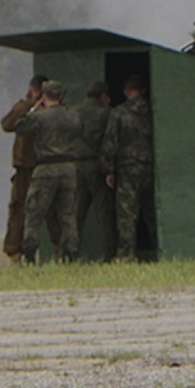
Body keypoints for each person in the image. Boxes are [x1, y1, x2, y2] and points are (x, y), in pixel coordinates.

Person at [14, 80, 84, 263]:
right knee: (68, 214)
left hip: (45, 168)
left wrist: (33, 110)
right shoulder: (72, 116)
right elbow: (79, 131)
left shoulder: (39, 117)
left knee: (34, 212)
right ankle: (71, 254)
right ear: (61, 96)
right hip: (68, 168)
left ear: (44, 96)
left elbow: (20, 127)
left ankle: (30, 254)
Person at [101, 75, 154, 261]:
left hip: (128, 168)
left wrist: (108, 169)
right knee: (152, 211)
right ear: (143, 90)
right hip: (151, 167)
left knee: (127, 213)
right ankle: (159, 247)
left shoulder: (119, 113)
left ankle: (127, 254)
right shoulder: (153, 110)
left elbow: (110, 143)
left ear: (125, 91)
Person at [0, 74, 49, 263]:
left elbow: (5, 124)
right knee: (50, 211)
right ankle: (61, 251)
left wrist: (26, 106)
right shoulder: (49, 110)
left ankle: (15, 253)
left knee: (19, 210)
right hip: (42, 167)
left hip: (28, 169)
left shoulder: (24, 108)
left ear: (31, 90)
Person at [73, 81, 114, 260]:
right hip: (96, 166)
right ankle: (107, 255)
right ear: (103, 96)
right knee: (104, 214)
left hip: (77, 166)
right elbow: (109, 143)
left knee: (76, 214)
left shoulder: (73, 112)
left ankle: (70, 255)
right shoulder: (106, 114)